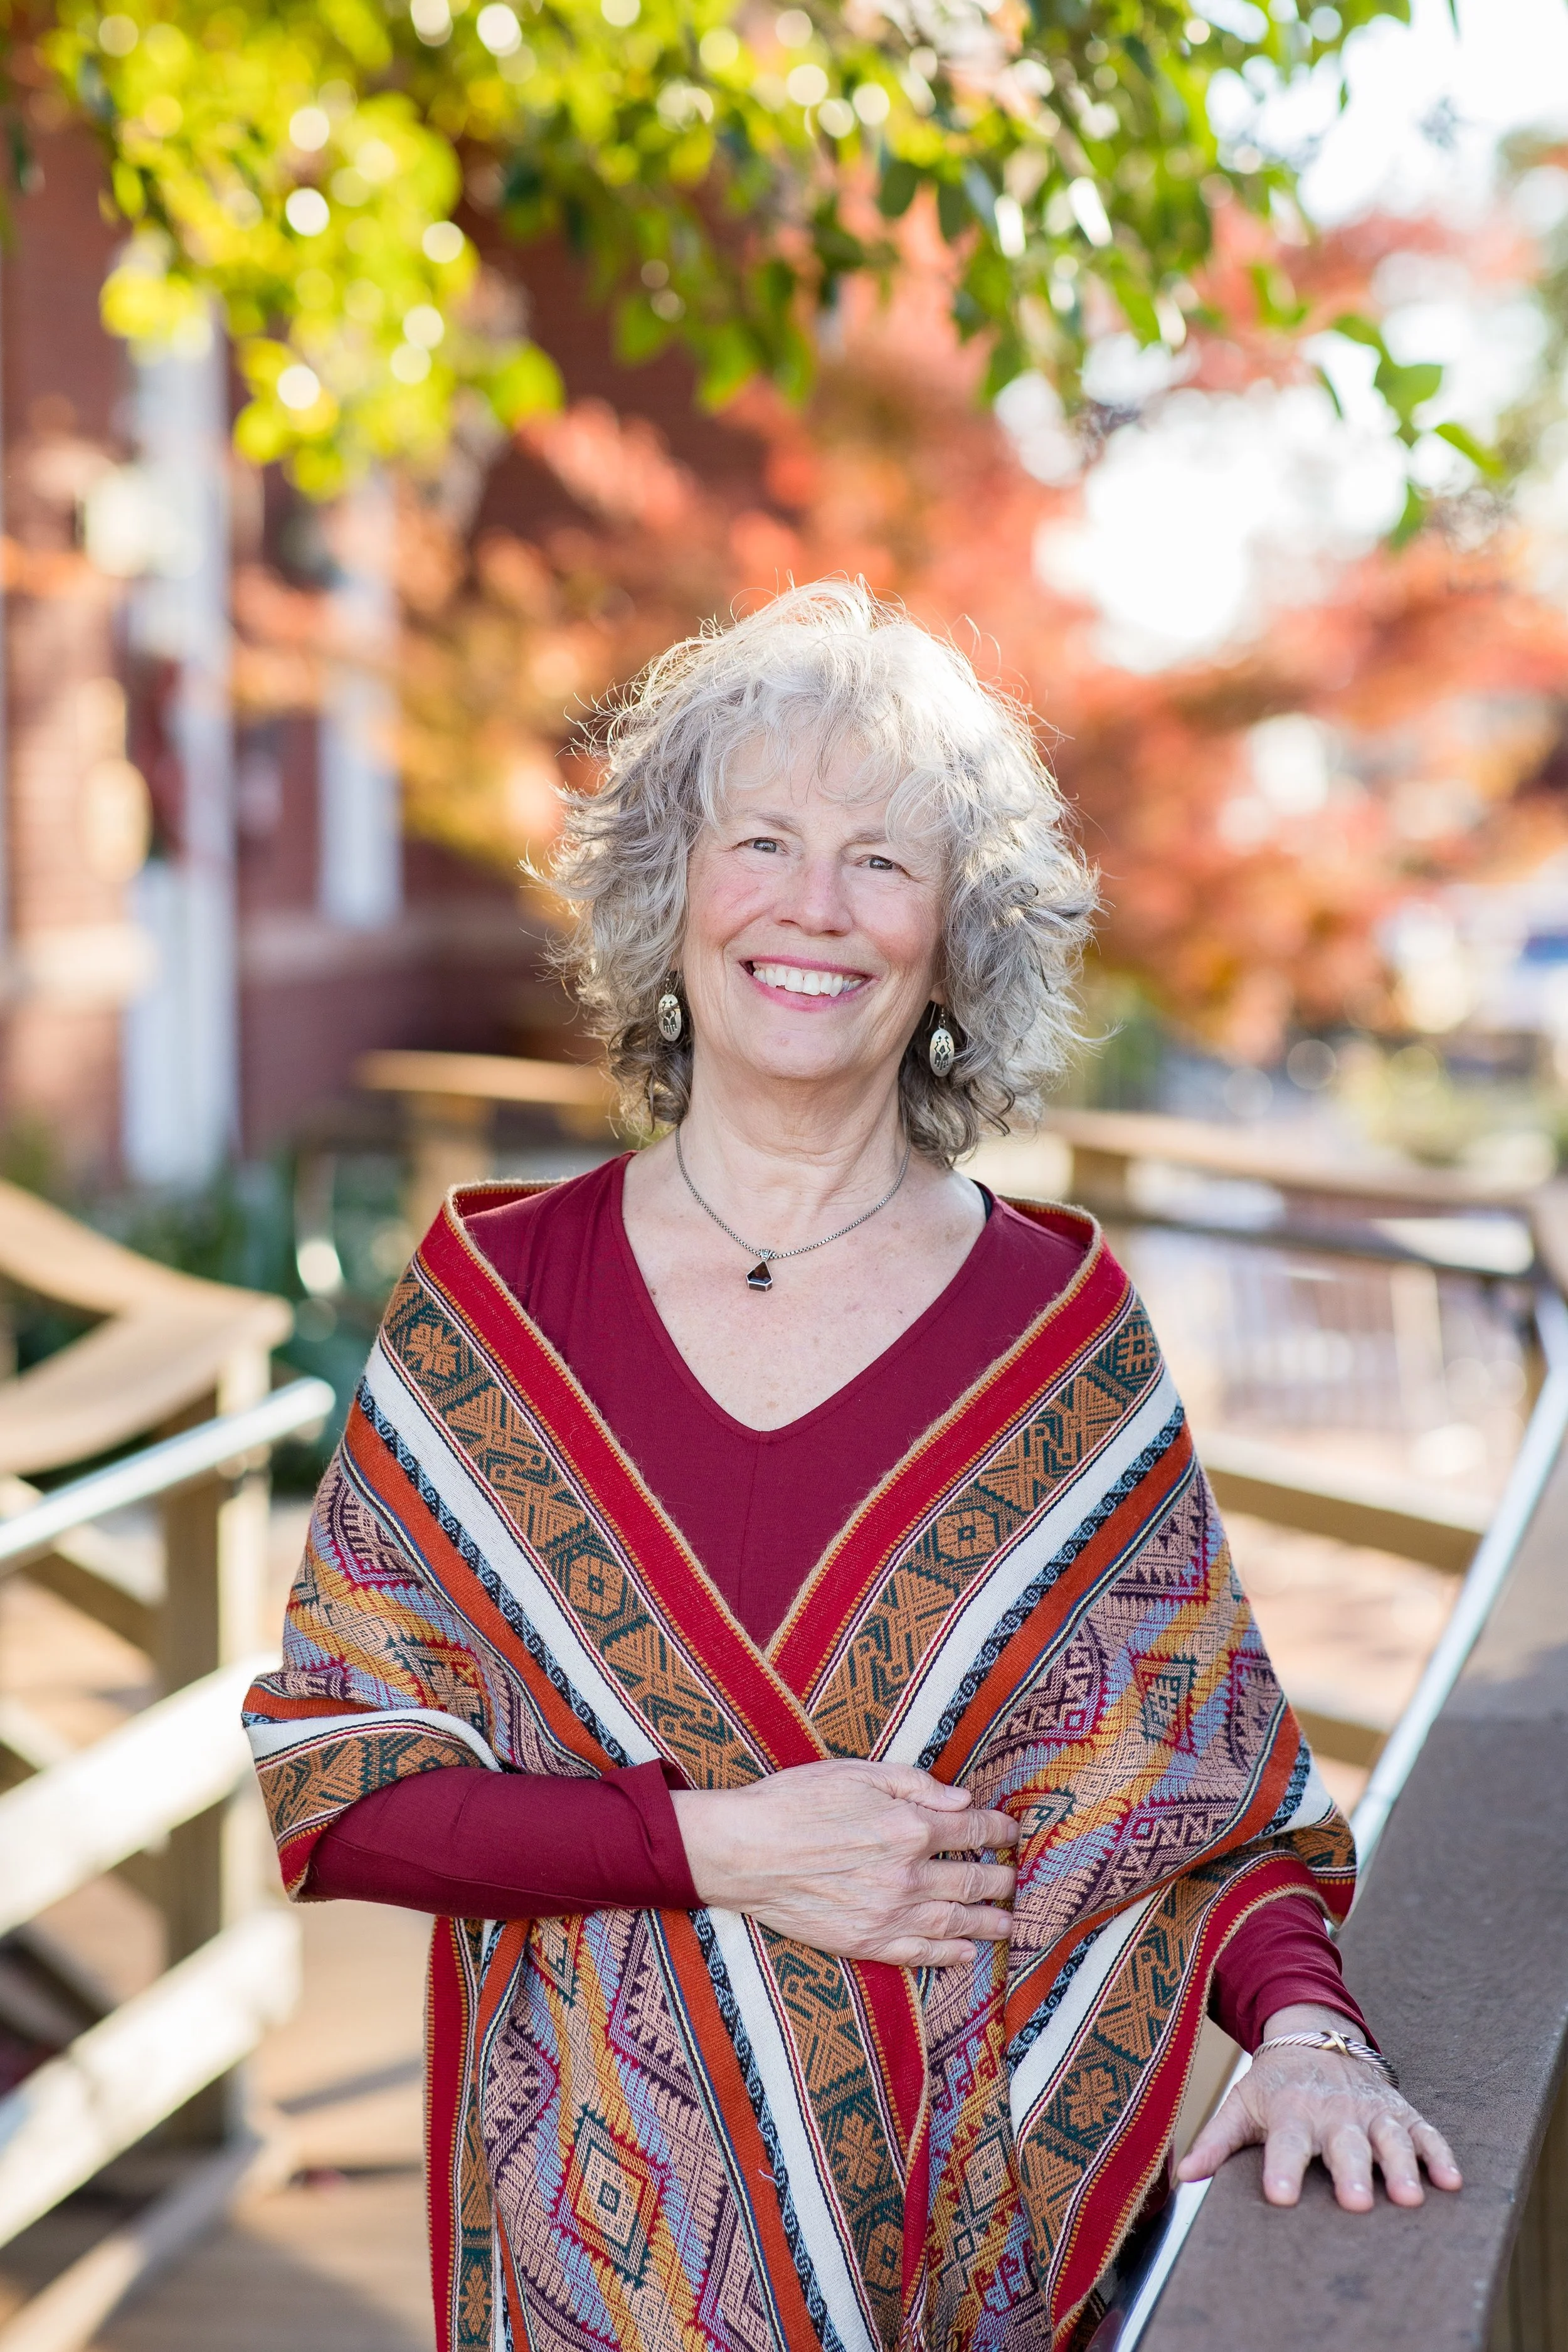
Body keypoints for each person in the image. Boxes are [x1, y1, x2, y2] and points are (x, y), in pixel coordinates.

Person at [246, 581, 1459, 2352]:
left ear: (955, 936)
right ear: (669, 899)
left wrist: (1307, 2035)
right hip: (597, 2262)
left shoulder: (1058, 1325)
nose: (815, 908)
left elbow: (1200, 1813)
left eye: (884, 861)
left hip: (951, 2261)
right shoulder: (495, 1306)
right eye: (763, 842)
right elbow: (336, 1788)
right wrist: (716, 1845)